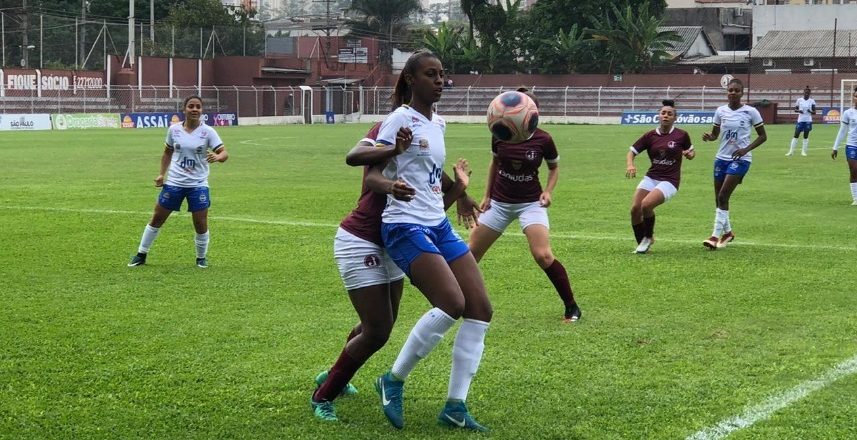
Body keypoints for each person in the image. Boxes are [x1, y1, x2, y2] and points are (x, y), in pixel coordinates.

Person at [310, 123, 473, 422]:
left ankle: (334, 376)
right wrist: (393, 150)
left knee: (377, 325)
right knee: (377, 330)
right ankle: (323, 396)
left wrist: (461, 190)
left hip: (396, 242)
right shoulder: (391, 127)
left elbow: (434, 209)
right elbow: (356, 157)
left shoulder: (425, 145)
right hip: (361, 239)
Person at [373, 50, 492, 432]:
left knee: (480, 309)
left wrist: (462, 192)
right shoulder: (398, 119)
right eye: (430, 74)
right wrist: (391, 185)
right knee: (452, 303)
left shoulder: (437, 122)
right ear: (411, 79)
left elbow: (430, 172)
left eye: (442, 74)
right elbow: (372, 172)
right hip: (404, 226)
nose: (440, 81)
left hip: (436, 224)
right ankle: (392, 380)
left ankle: (455, 406)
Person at [466, 87, 582, 323]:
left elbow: (553, 168)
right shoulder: (499, 131)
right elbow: (494, 164)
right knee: (469, 254)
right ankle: (459, 303)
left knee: (543, 255)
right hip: (499, 203)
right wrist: (487, 195)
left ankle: (572, 307)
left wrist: (548, 191)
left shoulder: (544, 139)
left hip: (530, 203)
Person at [128, 95, 229, 268]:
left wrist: (218, 157)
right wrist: (161, 174)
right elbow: (167, 152)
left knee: (200, 223)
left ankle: (201, 258)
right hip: (174, 183)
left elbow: (224, 153)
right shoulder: (174, 130)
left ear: (201, 110)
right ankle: (141, 254)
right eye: (191, 106)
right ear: (184, 109)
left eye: (198, 106)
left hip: (198, 184)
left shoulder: (208, 132)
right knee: (157, 218)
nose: (194, 109)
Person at [701, 78, 767, 249]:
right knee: (719, 198)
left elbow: (763, 136)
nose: (733, 93)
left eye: (737, 90)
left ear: (742, 93)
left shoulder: (751, 112)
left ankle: (714, 237)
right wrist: (709, 137)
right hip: (721, 158)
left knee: (723, 196)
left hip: (741, 159)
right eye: (730, 90)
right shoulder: (720, 111)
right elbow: (715, 134)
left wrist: (746, 149)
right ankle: (728, 233)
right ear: (727, 92)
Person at [625, 99, 695, 254]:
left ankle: (648, 237)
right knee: (635, 209)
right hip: (652, 177)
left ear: (675, 118)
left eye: (669, 114)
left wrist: (689, 154)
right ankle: (642, 244)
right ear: (659, 115)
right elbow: (631, 152)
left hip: (670, 180)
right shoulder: (650, 135)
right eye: (663, 113)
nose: (666, 116)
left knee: (646, 205)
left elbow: (691, 151)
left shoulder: (681, 135)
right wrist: (630, 164)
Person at [830, 87, 857, 205]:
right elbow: (842, 131)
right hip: (851, 145)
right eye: (855, 96)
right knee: (854, 170)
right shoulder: (848, 113)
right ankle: (856, 198)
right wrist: (835, 147)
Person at [787, 86, 816, 157]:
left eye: (808, 93)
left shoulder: (812, 101)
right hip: (800, 120)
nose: (806, 94)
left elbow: (814, 112)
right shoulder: (799, 100)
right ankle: (791, 151)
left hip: (808, 120)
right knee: (796, 134)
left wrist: (810, 111)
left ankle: (803, 152)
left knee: (805, 136)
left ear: (809, 94)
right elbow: (795, 109)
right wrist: (799, 111)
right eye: (805, 93)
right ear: (804, 93)